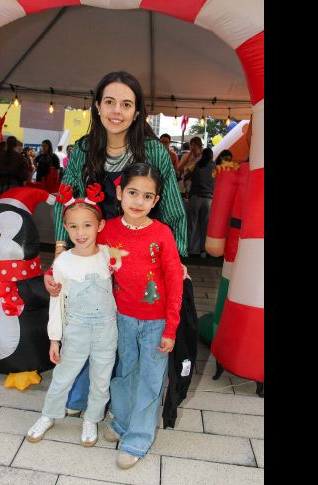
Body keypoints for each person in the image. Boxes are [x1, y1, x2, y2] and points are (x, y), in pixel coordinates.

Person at [47, 70, 189, 469]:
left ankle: (123, 418)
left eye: (126, 103)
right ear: (97, 105)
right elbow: (66, 203)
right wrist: (60, 257)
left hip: (139, 259)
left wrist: (179, 265)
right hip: (93, 253)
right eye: (110, 101)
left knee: (127, 341)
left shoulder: (153, 151)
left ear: (137, 110)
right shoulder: (81, 149)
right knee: (88, 325)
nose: (117, 110)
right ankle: (82, 398)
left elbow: (173, 210)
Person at [98, 162, 183, 469]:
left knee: (149, 379)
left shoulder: (162, 234)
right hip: (121, 317)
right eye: (132, 192)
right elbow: (85, 261)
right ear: (120, 192)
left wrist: (170, 328)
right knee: (123, 373)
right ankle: (121, 421)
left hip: (156, 321)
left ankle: (137, 439)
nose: (138, 201)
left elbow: (174, 282)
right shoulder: (106, 229)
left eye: (147, 197)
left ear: (156, 201)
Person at [25, 184, 117, 448]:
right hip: (74, 329)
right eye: (73, 226)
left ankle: (92, 418)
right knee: (63, 376)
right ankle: (48, 415)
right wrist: (54, 339)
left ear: (100, 226)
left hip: (106, 331)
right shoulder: (62, 262)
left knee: (101, 379)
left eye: (87, 225)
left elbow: (138, 264)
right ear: (65, 228)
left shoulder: (110, 255)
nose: (81, 233)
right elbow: (56, 303)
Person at [185, 147, 216, 257]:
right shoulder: (215, 168)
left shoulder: (197, 165)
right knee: (204, 226)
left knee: (191, 226)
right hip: (208, 200)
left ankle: (188, 249)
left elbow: (186, 176)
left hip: (195, 198)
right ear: (212, 156)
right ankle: (203, 251)